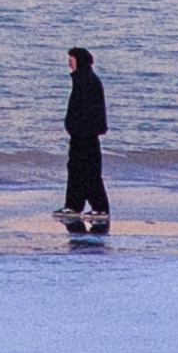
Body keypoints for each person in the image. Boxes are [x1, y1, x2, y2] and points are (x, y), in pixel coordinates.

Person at [59, 45, 110, 228]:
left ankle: (100, 207)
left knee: (89, 171)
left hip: (86, 135)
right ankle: (73, 205)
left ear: (79, 61)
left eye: (71, 59)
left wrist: (79, 128)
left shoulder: (88, 81)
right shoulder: (82, 79)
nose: (68, 63)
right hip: (80, 134)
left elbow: (90, 112)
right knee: (75, 169)